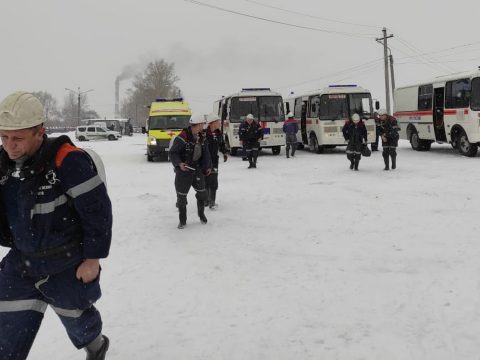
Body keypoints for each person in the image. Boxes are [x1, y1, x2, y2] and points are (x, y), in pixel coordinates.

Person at [0, 92, 112, 360]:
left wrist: (92, 259)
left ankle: (96, 347)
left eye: (17, 138)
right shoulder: (2, 165)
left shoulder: (68, 161)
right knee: (7, 327)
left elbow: (97, 213)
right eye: (4, 137)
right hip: (22, 261)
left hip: (65, 262)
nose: (9, 146)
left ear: (40, 132)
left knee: (77, 318)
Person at [169, 114, 212, 229]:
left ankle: (201, 214)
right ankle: (182, 220)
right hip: (184, 172)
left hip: (197, 170)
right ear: (196, 125)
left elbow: (206, 154)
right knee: (182, 198)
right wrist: (179, 164)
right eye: (202, 124)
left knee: (202, 194)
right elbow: (173, 153)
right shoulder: (182, 137)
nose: (203, 126)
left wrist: (208, 167)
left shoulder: (202, 137)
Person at [205, 113, 228, 209]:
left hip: (214, 161)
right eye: (218, 121)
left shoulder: (218, 133)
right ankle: (205, 200)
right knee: (205, 181)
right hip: (204, 161)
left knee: (213, 181)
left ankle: (212, 202)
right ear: (212, 123)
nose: (219, 123)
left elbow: (222, 144)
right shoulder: (204, 134)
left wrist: (225, 152)